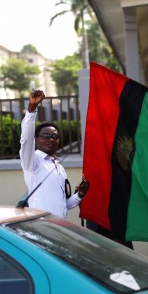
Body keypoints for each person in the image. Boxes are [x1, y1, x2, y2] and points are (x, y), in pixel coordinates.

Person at [20, 89, 89, 217]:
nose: (50, 139)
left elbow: (63, 205)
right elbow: (25, 140)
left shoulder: (59, 167)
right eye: (45, 136)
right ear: (36, 140)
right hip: (42, 226)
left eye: (55, 137)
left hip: (58, 227)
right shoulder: (33, 161)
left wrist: (79, 195)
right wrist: (32, 110)